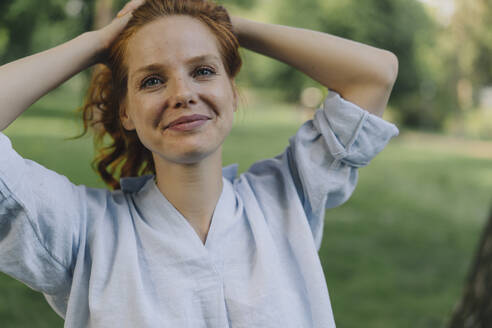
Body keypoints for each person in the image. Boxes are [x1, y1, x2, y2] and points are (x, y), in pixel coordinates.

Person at [0, 0, 399, 326]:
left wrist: (226, 23)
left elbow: (375, 74)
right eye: (152, 80)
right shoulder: (82, 233)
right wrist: (97, 42)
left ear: (231, 91)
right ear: (126, 112)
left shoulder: (289, 196)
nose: (183, 93)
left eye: (204, 71)